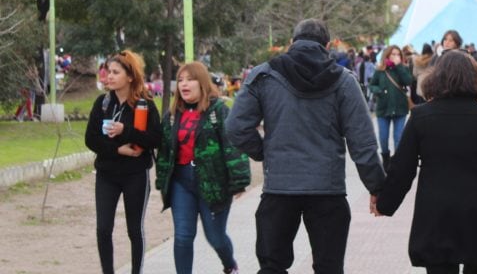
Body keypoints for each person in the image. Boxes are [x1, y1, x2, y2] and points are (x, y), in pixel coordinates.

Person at [225, 18, 386, 274]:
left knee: (272, 266)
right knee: (328, 267)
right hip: (327, 189)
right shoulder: (344, 81)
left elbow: (235, 127)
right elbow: (363, 142)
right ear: (328, 45)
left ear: (292, 43)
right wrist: (377, 187)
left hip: (279, 187)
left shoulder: (264, 75)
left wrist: (264, 151)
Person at [374, 50, 477, 274]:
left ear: (437, 78)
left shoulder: (421, 117)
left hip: (436, 212)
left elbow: (402, 169)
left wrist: (385, 203)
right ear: (475, 78)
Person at [155, 61, 250, 274]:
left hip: (213, 183)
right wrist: (162, 180)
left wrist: (239, 180)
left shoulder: (218, 111)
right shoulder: (172, 115)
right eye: (180, 80)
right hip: (182, 183)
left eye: (190, 79)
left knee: (215, 236)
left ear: (202, 82)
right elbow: (164, 149)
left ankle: (230, 265)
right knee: (183, 236)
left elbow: (232, 144)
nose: (184, 84)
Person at [84, 50, 162, 274]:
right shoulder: (103, 103)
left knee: (134, 230)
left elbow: (155, 138)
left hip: (135, 175)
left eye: (115, 72)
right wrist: (118, 149)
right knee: (103, 229)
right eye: (108, 71)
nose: (109, 76)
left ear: (130, 76)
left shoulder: (144, 104)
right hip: (107, 175)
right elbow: (91, 139)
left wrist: (126, 130)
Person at [368, 44, 414, 170]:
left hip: (400, 108)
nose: (395, 56)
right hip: (383, 108)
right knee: (383, 138)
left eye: (398, 54)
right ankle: (386, 159)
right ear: (387, 55)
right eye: (393, 54)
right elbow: (371, 85)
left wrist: (399, 66)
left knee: (398, 138)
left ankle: (397, 163)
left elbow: (408, 81)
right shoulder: (380, 70)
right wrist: (379, 91)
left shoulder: (403, 68)